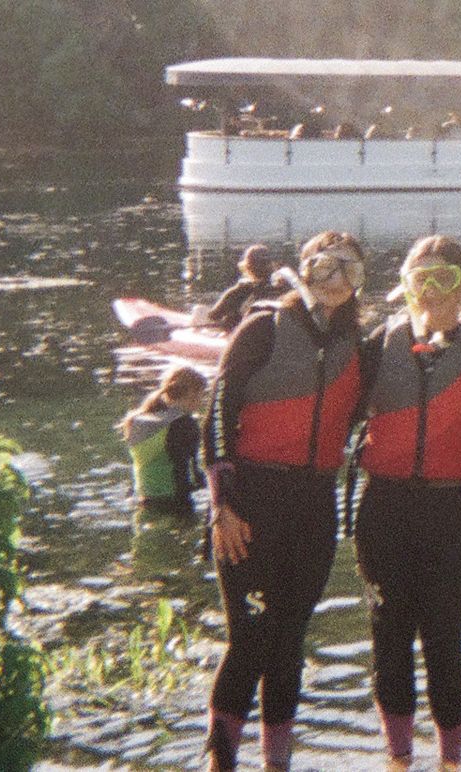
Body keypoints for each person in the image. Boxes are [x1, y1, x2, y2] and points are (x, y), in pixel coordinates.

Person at [201, 231, 367, 772]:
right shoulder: (263, 328)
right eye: (324, 268)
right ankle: (219, 759)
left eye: (350, 270)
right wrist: (221, 504)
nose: (337, 280)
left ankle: (277, 761)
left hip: (314, 504)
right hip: (250, 500)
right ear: (305, 269)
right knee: (247, 639)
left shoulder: (358, 345)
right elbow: (218, 417)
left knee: (290, 637)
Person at [354, 235, 461, 771]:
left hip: (449, 512)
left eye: (447, 279)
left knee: (446, 641)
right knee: (389, 636)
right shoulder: (379, 343)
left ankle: (451, 762)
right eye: (423, 280)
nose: (435, 292)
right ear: (405, 287)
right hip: (384, 510)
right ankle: (399, 760)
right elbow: (331, 412)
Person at [120, 365, 208, 518]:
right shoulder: (185, 423)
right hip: (176, 503)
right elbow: (194, 475)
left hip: (144, 501)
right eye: (201, 395)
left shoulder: (136, 420)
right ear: (192, 394)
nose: (201, 402)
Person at [206, 244, 291, 332]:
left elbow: (214, 315)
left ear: (247, 266)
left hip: (244, 338)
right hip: (275, 337)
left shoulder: (240, 291)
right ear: (272, 265)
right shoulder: (284, 288)